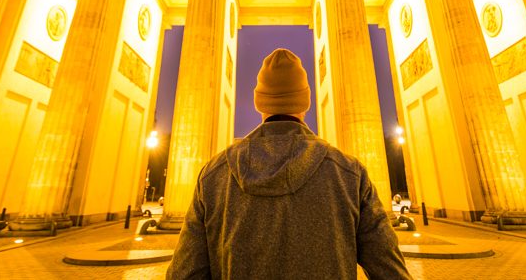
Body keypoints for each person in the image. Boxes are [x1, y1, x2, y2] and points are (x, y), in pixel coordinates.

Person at [167, 48, 411, 279]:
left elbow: (184, 274)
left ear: (259, 102)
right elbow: (390, 272)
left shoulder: (213, 176)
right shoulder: (351, 175)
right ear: (305, 102)